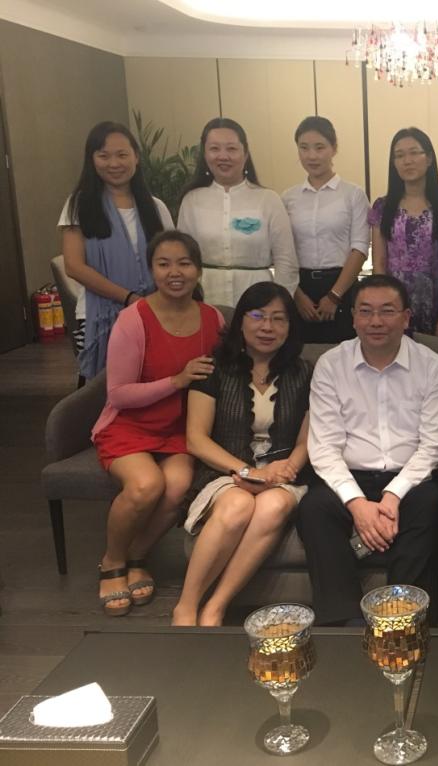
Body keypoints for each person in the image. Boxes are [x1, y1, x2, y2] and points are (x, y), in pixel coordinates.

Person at [296, 274, 438, 625]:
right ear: (353, 318)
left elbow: (434, 444)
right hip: (349, 478)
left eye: (387, 311)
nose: (376, 321)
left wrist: (392, 496)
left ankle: (405, 618)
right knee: (314, 508)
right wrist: (357, 504)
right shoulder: (331, 364)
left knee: (428, 501)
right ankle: (344, 621)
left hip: (409, 480)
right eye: (365, 311)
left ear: (406, 317)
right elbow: (324, 446)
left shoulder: (431, 365)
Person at [92, 230, 223, 616]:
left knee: (178, 486)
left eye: (184, 263)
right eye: (164, 264)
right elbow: (118, 394)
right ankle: (112, 560)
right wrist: (177, 381)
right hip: (129, 425)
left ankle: (136, 556)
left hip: (179, 429)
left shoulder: (212, 319)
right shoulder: (133, 319)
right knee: (146, 485)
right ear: (152, 270)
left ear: (198, 270)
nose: (174, 272)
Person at [172, 282, 312, 626]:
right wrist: (247, 472)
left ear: (290, 327)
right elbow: (196, 440)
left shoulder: (305, 372)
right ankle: (186, 606)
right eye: (258, 316)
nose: (268, 327)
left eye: (279, 319)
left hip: (283, 475)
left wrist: (284, 470)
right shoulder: (213, 369)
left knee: (273, 505)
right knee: (237, 504)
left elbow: (308, 440)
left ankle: (216, 606)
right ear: (240, 322)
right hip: (224, 470)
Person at [60, 121, 175, 379]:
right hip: (96, 316)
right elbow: (74, 266)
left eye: (122, 155)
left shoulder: (156, 208)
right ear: (92, 159)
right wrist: (129, 298)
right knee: (102, 391)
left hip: (155, 312)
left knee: (153, 382)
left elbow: (171, 261)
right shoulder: (79, 205)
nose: (114, 163)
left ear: (136, 157)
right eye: (104, 156)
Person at [178, 117, 300, 307]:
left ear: (245, 153)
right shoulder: (192, 200)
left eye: (231, 149)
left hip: (258, 304)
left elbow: (286, 262)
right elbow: (182, 258)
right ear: (205, 154)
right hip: (205, 301)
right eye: (214, 149)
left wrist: (277, 307)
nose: (223, 156)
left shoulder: (268, 200)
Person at [283, 116, 368, 344]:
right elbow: (283, 252)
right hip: (300, 287)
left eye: (319, 147)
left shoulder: (353, 194)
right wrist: (296, 294)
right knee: (299, 353)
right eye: (304, 148)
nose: (312, 156)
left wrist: (334, 296)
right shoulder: (288, 197)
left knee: (344, 352)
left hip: (341, 285)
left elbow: (360, 248)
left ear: (334, 148)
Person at [371, 127, 438, 336]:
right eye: (399, 155)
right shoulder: (382, 207)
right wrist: (383, 307)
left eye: (414, 153)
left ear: (429, 158)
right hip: (395, 304)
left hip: (436, 302)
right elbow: (379, 263)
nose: (407, 161)